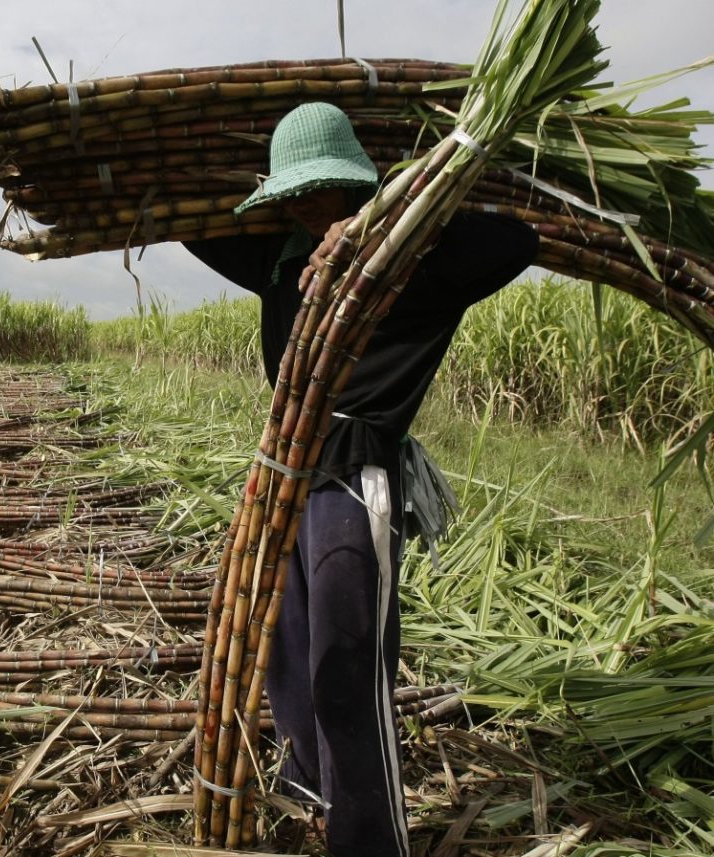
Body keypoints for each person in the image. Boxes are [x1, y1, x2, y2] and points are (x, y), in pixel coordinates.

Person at [183, 102, 538, 857]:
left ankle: (369, 839)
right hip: (283, 481)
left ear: (356, 183)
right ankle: (310, 792)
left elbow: (517, 239)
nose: (307, 204)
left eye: (322, 188)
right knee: (286, 650)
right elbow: (189, 223)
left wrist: (381, 226)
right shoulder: (283, 260)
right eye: (293, 192)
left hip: (354, 486)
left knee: (347, 668)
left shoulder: (419, 265)